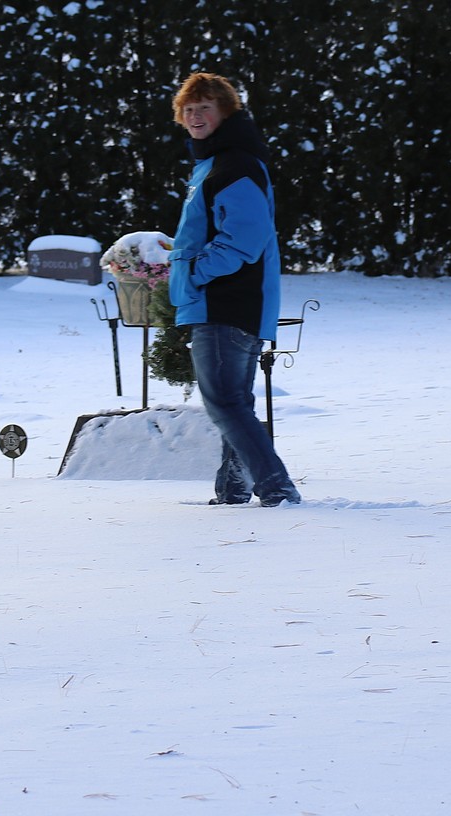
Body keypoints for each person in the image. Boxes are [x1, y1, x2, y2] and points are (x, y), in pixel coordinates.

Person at [167, 72, 302, 507]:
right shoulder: (215, 163)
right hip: (226, 300)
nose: (194, 115)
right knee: (234, 402)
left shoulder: (234, 164)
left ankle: (277, 488)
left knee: (224, 401)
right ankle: (232, 489)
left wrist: (195, 273)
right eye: (188, 109)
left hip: (225, 300)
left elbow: (245, 235)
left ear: (227, 112)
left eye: (204, 107)